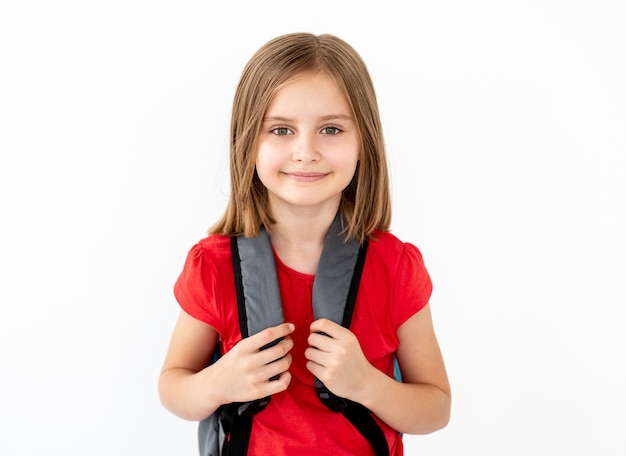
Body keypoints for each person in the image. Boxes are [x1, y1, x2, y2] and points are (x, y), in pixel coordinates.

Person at [159, 32, 451, 455]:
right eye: (281, 130)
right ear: (249, 143)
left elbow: (436, 409)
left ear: (362, 143)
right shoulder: (213, 266)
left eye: (330, 129)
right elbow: (173, 387)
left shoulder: (394, 266)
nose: (305, 151)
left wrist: (367, 384)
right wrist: (217, 382)